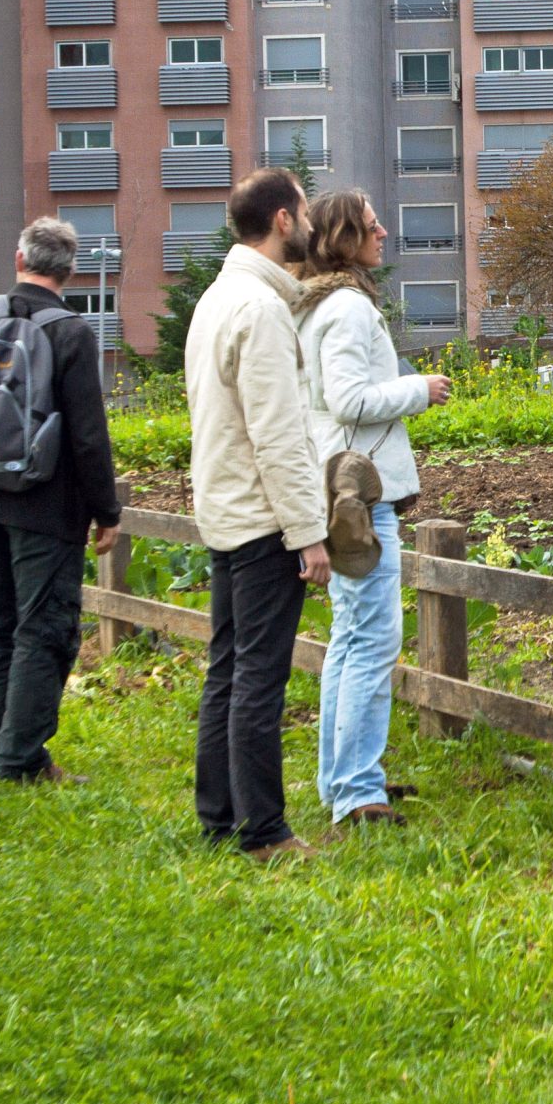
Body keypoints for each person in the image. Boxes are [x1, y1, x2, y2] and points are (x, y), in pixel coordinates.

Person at [0, 217, 120, 782]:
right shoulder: (70, 332)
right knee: (42, 628)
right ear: (70, 271)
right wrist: (106, 510)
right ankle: (21, 759)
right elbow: (88, 434)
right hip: (45, 502)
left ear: (19, 260)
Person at [184, 168, 330, 863]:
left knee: (226, 670)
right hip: (263, 518)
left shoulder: (217, 297)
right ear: (281, 220)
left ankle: (218, 815)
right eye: (302, 211)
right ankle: (264, 831)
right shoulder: (263, 309)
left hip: (225, 511)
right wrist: (309, 535)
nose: (308, 224)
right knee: (258, 679)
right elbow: (278, 434)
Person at [293, 190, 450, 828]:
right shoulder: (348, 309)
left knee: (350, 639)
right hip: (359, 495)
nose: (383, 229)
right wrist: (420, 389)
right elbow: (349, 398)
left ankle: (345, 780)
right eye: (369, 223)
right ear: (343, 239)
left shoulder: (315, 306)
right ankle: (357, 793)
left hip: (337, 489)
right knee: (373, 641)